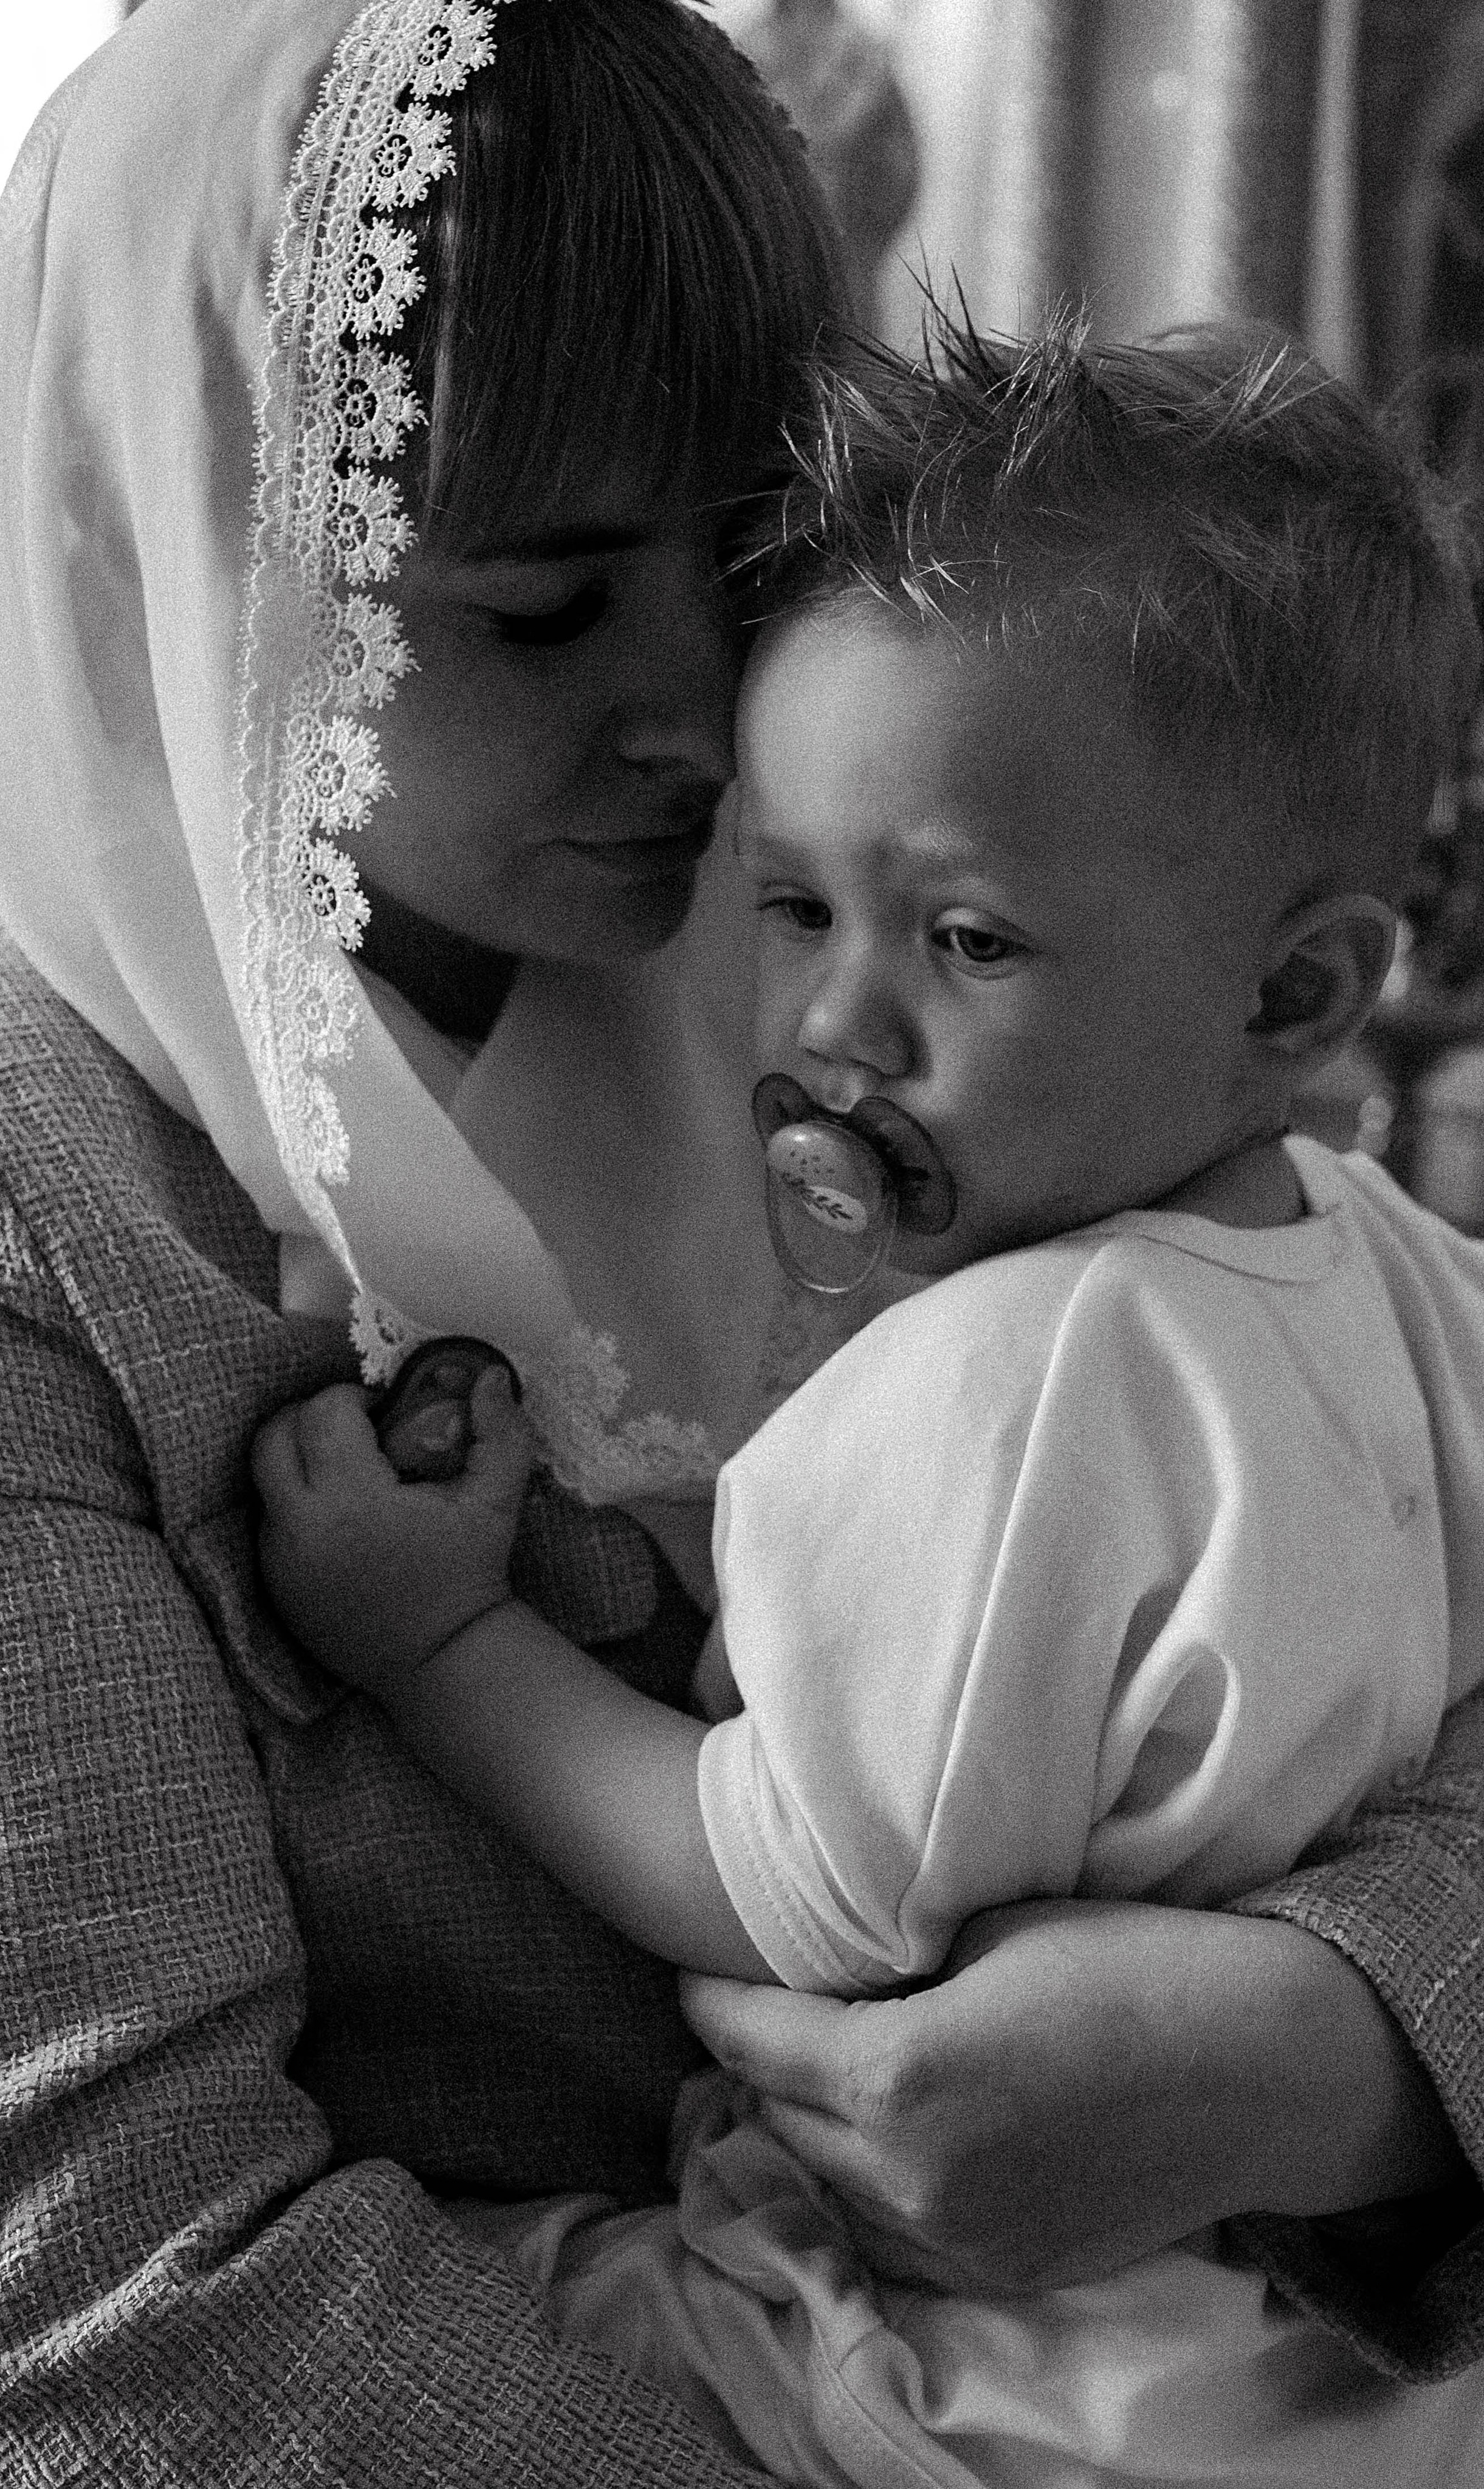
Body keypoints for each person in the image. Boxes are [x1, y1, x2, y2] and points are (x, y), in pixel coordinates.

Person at [0, 0, 1480, 2476]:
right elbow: (125, 2295)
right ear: (172, 548)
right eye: (548, 603)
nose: (699, 703)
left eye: (744, 555)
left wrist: (1325, 2046)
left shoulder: (901, 950)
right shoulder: (62, 1219)